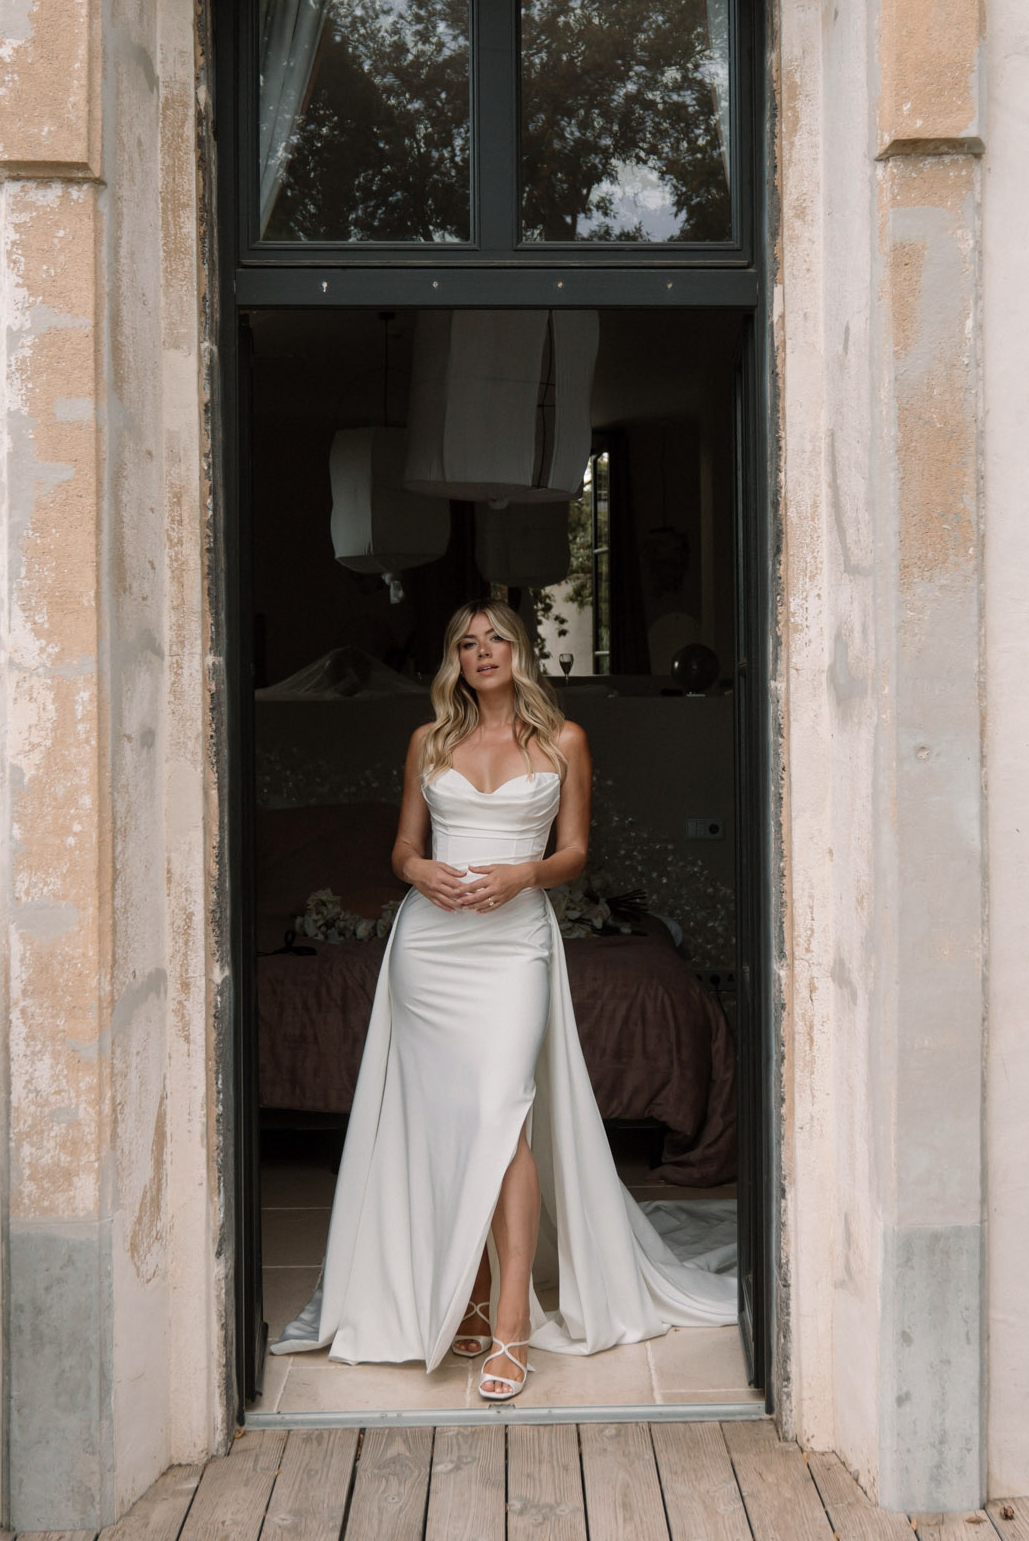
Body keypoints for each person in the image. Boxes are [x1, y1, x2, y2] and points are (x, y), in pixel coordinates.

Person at [271, 599, 736, 1397]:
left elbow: (577, 852)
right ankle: (472, 1301)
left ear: (522, 651)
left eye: (496, 638)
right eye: (466, 641)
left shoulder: (564, 741)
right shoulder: (430, 740)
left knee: (502, 1112)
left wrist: (523, 874)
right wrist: (418, 873)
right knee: (444, 1120)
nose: (482, 651)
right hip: (430, 948)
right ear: (455, 659)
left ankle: (511, 1323)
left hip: (514, 943)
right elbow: (404, 846)